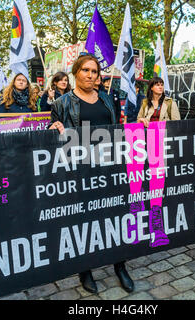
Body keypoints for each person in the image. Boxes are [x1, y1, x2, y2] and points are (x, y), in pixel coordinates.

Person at [49, 54, 134, 294]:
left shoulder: (107, 99)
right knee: (84, 220)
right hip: (81, 171)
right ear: (76, 72)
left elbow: (117, 129)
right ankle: (84, 270)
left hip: (109, 168)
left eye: (94, 71)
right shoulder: (62, 103)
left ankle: (120, 265)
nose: (90, 75)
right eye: (85, 70)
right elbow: (53, 136)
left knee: (116, 215)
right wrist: (53, 127)